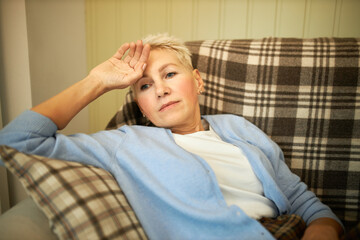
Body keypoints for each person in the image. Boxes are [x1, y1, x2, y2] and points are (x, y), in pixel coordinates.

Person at [0, 34, 343, 240]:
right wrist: (97, 82)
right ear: (141, 105)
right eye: (145, 86)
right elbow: (18, 139)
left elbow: (302, 200)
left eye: (170, 74)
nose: (161, 90)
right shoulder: (126, 143)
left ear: (197, 81)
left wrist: (324, 229)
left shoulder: (239, 129)